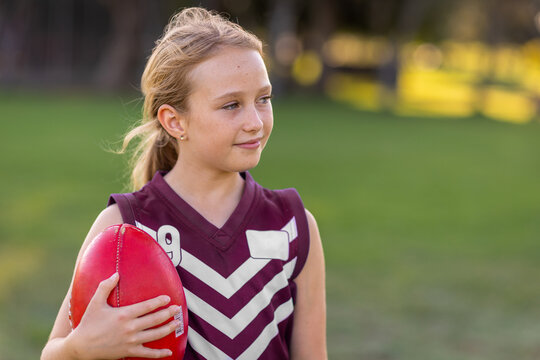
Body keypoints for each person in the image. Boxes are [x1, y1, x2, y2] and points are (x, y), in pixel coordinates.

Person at [41, 7, 326, 360]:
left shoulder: (295, 225)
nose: (255, 121)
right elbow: (52, 352)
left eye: (263, 99)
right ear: (175, 122)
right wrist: (80, 348)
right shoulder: (125, 227)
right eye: (231, 105)